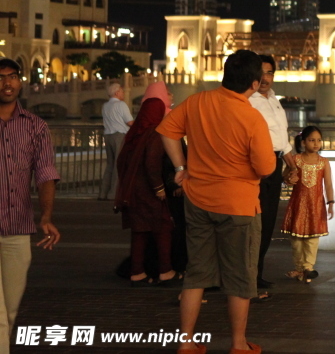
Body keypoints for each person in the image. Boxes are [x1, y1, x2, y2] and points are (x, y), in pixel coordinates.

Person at [157, 49, 275, 354]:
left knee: (196, 273)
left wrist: (181, 167)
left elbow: (167, 131)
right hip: (239, 206)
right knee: (239, 276)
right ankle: (238, 344)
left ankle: (186, 342)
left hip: (197, 200)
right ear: (253, 83)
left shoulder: (198, 101)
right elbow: (265, 168)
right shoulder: (252, 117)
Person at [0, 59, 59, 354]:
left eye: (12, 77)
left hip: (18, 228)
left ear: (20, 81)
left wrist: (46, 216)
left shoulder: (35, 126)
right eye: (0, 78)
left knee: (10, 311)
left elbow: (45, 172)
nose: (6, 83)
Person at [115, 81, 177, 285]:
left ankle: (137, 272)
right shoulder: (155, 133)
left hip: (133, 190)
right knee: (163, 227)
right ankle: (166, 270)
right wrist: (159, 189)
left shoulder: (136, 134)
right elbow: (152, 163)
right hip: (149, 191)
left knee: (140, 230)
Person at [248, 54, 297, 300]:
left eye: (269, 73)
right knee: (254, 221)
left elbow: (282, 137)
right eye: (262, 73)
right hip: (257, 165)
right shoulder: (249, 100)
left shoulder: (274, 100)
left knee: (268, 221)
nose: (265, 78)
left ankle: (257, 272)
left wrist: (291, 161)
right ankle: (248, 277)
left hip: (275, 163)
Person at [281, 126, 333, 283]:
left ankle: (308, 267)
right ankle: (299, 268)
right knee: (296, 240)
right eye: (312, 140)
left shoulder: (324, 162)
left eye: (318, 140)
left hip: (315, 206)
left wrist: (330, 202)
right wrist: (289, 179)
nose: (316, 143)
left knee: (312, 238)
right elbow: (286, 178)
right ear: (303, 142)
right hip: (298, 204)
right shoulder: (295, 160)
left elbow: (328, 185)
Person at [100, 82, 133, 200]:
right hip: (119, 136)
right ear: (117, 92)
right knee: (118, 165)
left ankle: (103, 193)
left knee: (110, 164)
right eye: (122, 91)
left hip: (107, 136)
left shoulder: (105, 106)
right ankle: (113, 194)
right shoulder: (121, 105)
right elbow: (129, 122)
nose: (123, 93)